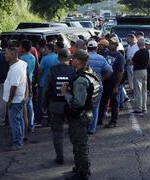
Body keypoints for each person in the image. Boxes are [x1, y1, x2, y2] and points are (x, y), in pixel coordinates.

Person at [61, 49, 99, 180]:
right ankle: (80, 168)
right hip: (85, 114)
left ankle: (82, 172)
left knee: (80, 145)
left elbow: (78, 102)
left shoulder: (81, 79)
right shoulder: (88, 73)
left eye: (73, 58)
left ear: (78, 61)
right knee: (78, 143)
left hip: (79, 116)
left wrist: (65, 92)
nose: (71, 60)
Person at [43, 49, 76, 165]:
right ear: (69, 58)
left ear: (58, 58)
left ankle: (60, 156)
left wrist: (44, 105)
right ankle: (76, 155)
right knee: (73, 131)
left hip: (55, 105)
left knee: (57, 132)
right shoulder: (73, 71)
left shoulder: (52, 70)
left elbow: (46, 89)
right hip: (71, 105)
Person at [98, 37, 126, 128]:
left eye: (113, 43)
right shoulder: (105, 53)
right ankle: (99, 120)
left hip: (113, 82)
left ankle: (114, 121)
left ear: (117, 45)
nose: (110, 44)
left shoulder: (120, 57)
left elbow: (121, 72)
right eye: (110, 43)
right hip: (104, 81)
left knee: (114, 102)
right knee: (102, 101)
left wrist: (116, 87)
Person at [3, 47, 28, 151]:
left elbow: (14, 87)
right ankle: (20, 138)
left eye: (7, 53)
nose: (5, 55)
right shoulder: (21, 63)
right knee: (19, 120)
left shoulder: (16, 69)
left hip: (16, 100)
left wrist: (9, 101)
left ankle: (18, 142)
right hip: (20, 98)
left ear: (13, 55)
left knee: (15, 122)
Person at [87, 40, 112, 134]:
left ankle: (85, 125)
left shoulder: (84, 57)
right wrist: (103, 78)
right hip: (97, 84)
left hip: (85, 85)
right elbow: (110, 70)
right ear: (96, 48)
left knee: (84, 106)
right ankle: (92, 128)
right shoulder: (101, 58)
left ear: (88, 48)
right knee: (95, 107)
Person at [36, 44, 59, 125]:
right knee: (51, 102)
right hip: (54, 84)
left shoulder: (44, 58)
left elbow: (40, 72)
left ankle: (38, 119)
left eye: (45, 49)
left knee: (40, 102)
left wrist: (38, 81)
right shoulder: (57, 58)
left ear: (49, 49)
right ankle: (50, 120)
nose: (44, 50)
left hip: (44, 84)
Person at [20, 39, 36, 133]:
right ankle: (31, 125)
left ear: (23, 48)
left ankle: (24, 126)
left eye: (20, 46)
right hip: (30, 81)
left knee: (24, 105)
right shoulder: (32, 57)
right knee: (30, 104)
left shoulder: (22, 59)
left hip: (24, 82)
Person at [130, 39, 150, 115]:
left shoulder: (138, 52)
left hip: (138, 71)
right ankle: (144, 107)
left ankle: (139, 108)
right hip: (145, 70)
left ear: (138, 44)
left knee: (138, 90)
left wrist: (130, 61)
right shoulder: (147, 51)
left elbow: (132, 62)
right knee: (144, 90)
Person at [0, 39, 10, 126]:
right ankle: (10, 117)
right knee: (10, 99)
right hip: (10, 80)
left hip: (1, 80)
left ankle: (2, 119)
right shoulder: (11, 54)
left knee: (3, 100)